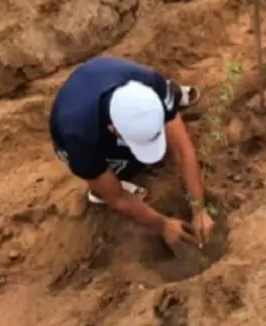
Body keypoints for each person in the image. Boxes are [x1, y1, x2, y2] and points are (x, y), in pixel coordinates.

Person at [49, 56, 213, 252]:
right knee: (121, 168)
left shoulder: (150, 86)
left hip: (107, 75)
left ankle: (173, 96)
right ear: (114, 129)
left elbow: (182, 149)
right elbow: (117, 198)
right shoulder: (79, 136)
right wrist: (162, 226)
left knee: (170, 113)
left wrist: (199, 208)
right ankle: (101, 186)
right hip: (69, 128)